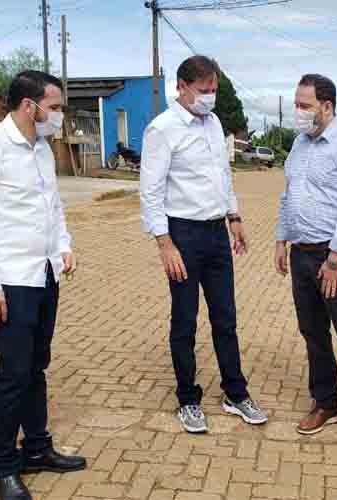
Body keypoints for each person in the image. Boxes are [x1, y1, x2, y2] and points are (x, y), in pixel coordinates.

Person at [0, 70, 86, 500]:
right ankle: (3, 468)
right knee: (12, 374)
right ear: (30, 106)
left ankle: (37, 448)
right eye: (55, 107)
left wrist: (62, 246)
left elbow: (53, 207)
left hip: (44, 275)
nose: (60, 115)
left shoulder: (42, 150)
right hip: (8, 281)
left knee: (36, 367)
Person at [140, 55, 267, 434]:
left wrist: (235, 217)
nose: (209, 98)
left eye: (214, 91)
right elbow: (150, 192)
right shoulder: (162, 130)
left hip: (215, 233)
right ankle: (188, 399)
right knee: (185, 320)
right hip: (183, 235)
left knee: (225, 318)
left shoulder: (214, 124)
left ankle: (235, 392)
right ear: (180, 86)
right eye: (203, 91)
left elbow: (223, 176)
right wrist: (165, 244)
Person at [274, 74, 337, 457]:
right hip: (302, 255)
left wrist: (336, 258)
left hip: (336, 259)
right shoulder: (298, 146)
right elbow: (289, 196)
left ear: (327, 106)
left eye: (304, 105)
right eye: (297, 104)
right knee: (313, 333)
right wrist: (280, 240)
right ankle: (326, 402)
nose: (298, 112)